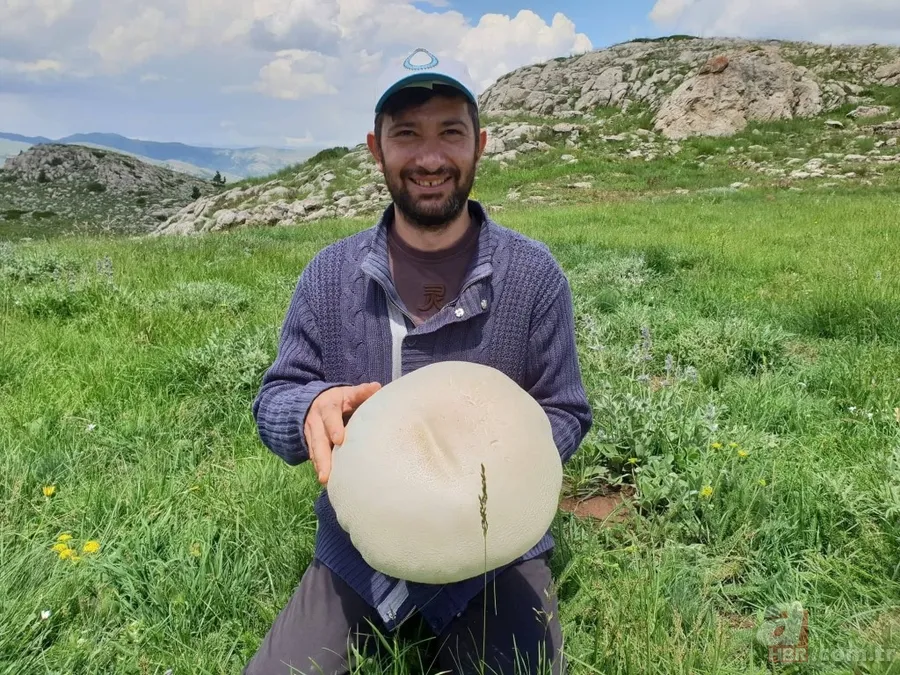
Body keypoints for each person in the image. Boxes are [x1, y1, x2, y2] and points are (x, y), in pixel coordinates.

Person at [245, 47, 593, 675]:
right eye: (407, 134)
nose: (430, 158)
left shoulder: (534, 277)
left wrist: (506, 455)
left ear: (479, 144)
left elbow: (565, 408)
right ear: (376, 149)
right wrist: (309, 411)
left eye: (450, 133)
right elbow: (276, 397)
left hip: (495, 557)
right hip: (358, 553)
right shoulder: (331, 275)